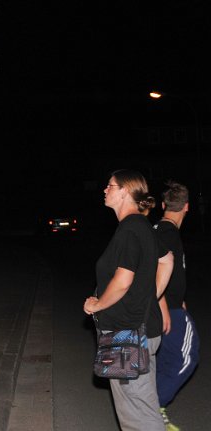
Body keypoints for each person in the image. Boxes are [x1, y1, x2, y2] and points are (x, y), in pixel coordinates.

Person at [83, 170, 163, 431]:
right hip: (137, 329)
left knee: (137, 414)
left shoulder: (130, 229)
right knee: (142, 408)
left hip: (129, 335)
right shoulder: (140, 227)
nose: (105, 190)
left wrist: (98, 304)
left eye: (110, 186)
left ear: (126, 191)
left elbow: (123, 280)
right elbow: (163, 263)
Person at [153, 180, 199, 431]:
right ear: (188, 207)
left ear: (163, 205)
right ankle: (155, 406)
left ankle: (149, 412)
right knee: (187, 356)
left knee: (164, 358)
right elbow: (152, 269)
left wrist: (177, 294)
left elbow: (170, 270)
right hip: (167, 309)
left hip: (170, 303)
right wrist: (163, 305)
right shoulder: (166, 232)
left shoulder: (162, 229)